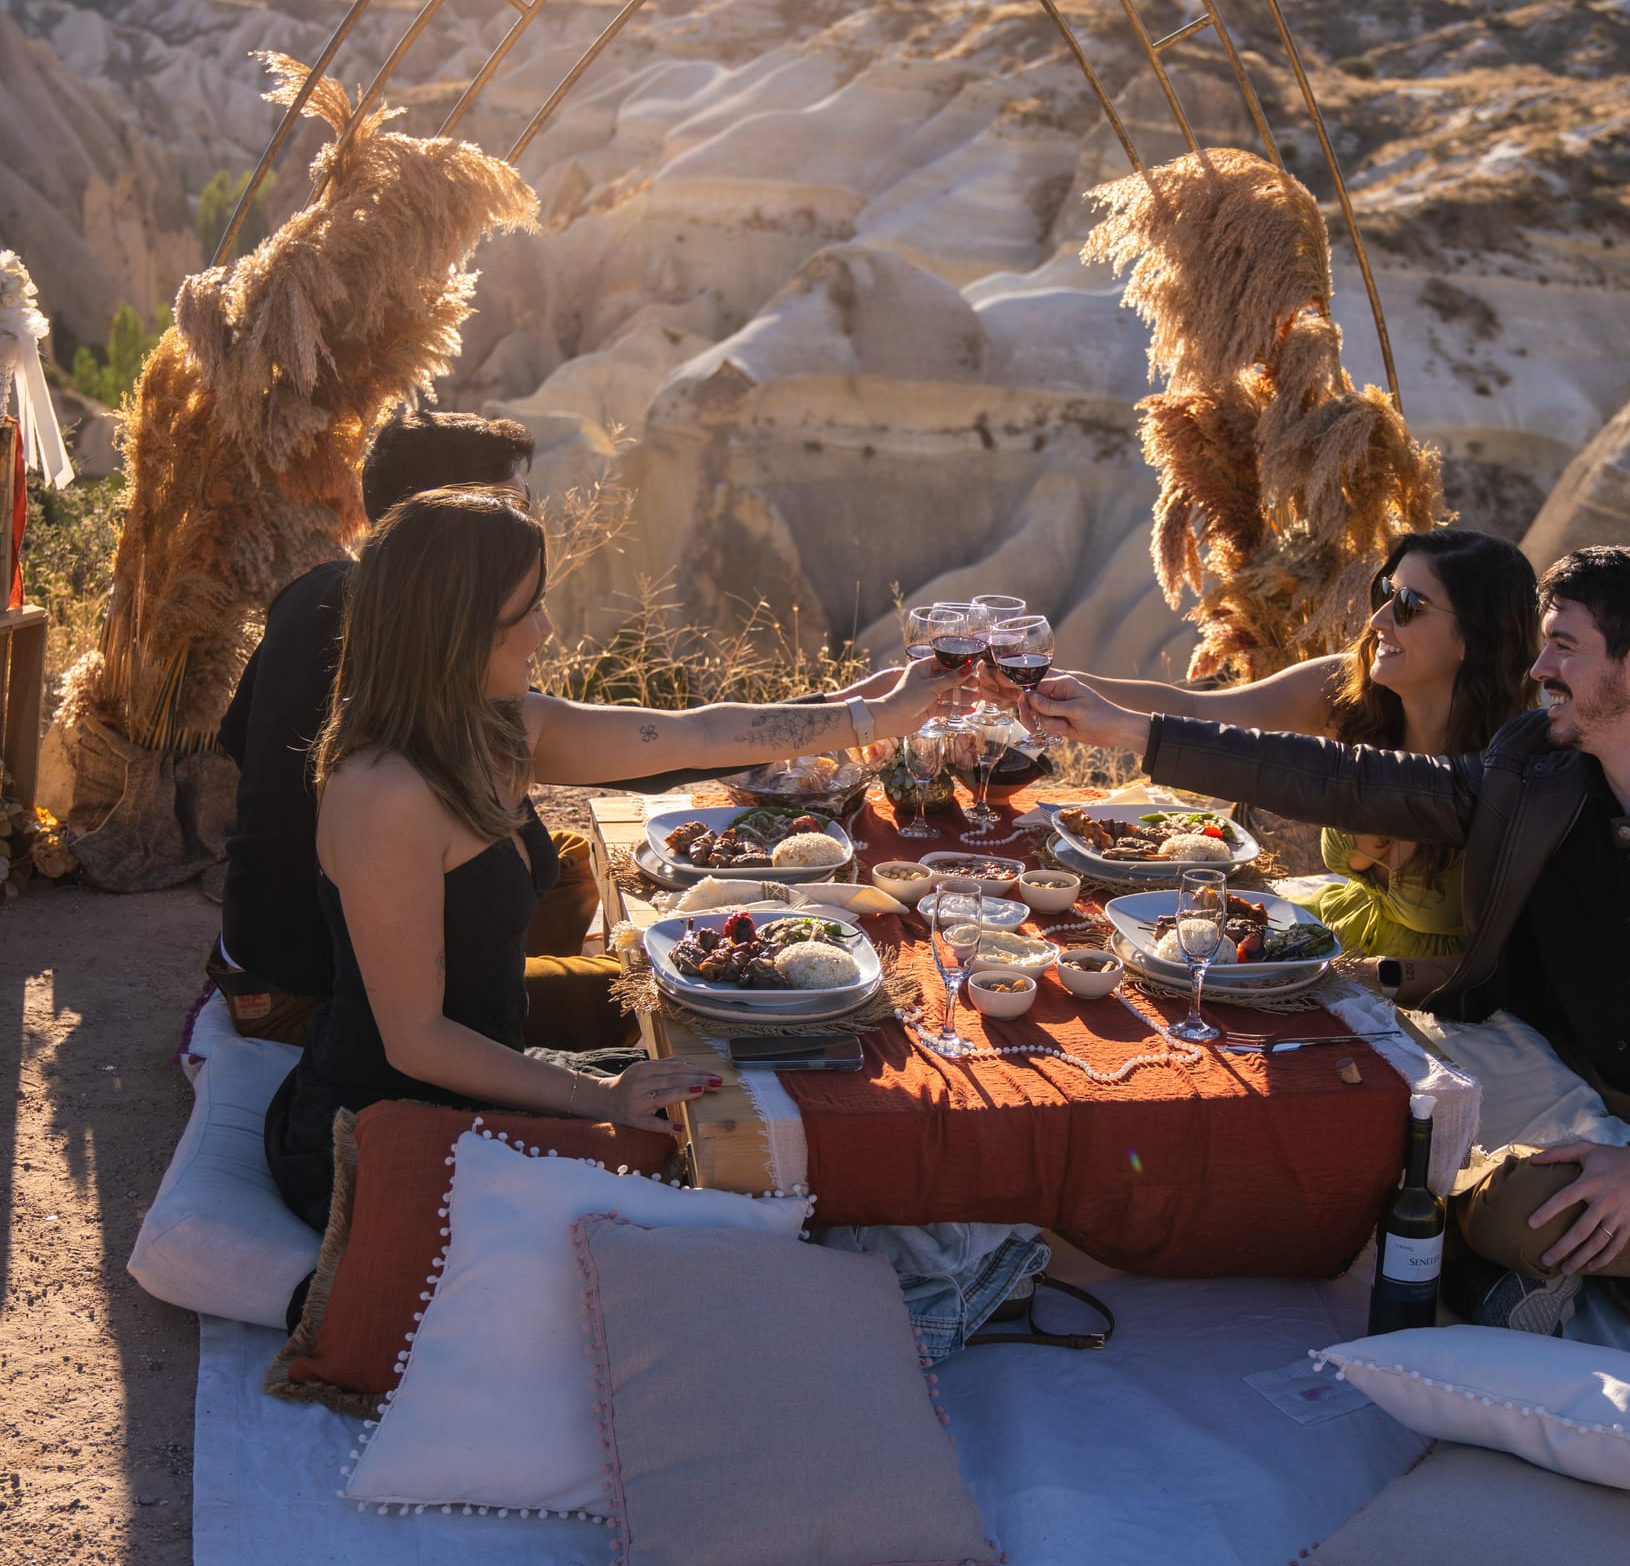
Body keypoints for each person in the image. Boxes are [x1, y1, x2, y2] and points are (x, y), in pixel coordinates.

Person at [1031, 544, 1630, 1329]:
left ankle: (1473, 1237)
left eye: (1564, 649)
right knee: (1325, 1081)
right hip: (1548, 1073)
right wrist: (1137, 733)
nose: (1538, 668)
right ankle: (1473, 1261)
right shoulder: (1539, 763)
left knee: (1523, 1211)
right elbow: (1352, 782)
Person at [264, 488, 948, 1228]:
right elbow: (415, 1041)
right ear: (455, 629)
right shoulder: (382, 794)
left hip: (497, 1081)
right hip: (387, 1134)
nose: (546, 630)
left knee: (757, 1111)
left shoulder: (500, 729)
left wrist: (868, 714)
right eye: (526, 612)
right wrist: (605, 1100)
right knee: (732, 1190)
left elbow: (693, 736)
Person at [1038, 528, 1539, 993]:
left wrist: (1331, 977)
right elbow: (1197, 710)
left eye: (1409, 604)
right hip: (1322, 935)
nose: (1378, 618)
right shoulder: (1350, 692)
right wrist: (1051, 688)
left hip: (1420, 990)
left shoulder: (1518, 766)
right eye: (1384, 592)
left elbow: (1505, 965)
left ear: (1475, 637)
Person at [214, 410, 537, 1040]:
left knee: (567, 863)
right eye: (513, 506)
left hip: (256, 944)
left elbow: (235, 741)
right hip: (312, 985)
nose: (526, 524)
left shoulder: (316, 588)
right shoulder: (420, 632)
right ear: (454, 520)